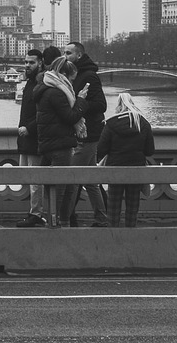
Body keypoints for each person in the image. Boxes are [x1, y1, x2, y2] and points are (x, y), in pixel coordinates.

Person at [63, 41, 109, 227]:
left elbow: (101, 105)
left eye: (68, 53)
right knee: (90, 181)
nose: (65, 56)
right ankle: (101, 218)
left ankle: (65, 218)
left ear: (79, 55)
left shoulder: (89, 76)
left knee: (73, 179)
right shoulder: (75, 75)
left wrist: (80, 104)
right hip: (84, 133)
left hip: (87, 135)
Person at [35, 56, 82, 228]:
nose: (71, 83)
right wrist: (81, 101)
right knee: (62, 188)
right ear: (63, 74)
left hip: (48, 143)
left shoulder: (45, 88)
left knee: (56, 186)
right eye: (70, 78)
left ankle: (59, 221)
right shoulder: (57, 93)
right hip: (60, 144)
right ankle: (58, 225)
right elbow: (70, 118)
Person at [97, 93, 156, 227]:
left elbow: (101, 150)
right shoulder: (143, 123)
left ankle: (113, 235)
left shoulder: (111, 124)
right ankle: (130, 234)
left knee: (114, 206)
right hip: (136, 170)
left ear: (118, 106)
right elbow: (149, 151)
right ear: (133, 104)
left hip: (115, 169)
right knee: (132, 207)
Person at [14, 49, 46, 227]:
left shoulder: (41, 84)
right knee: (25, 177)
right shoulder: (29, 83)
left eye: (31, 62)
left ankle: (36, 214)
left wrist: (29, 128)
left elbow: (44, 113)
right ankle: (34, 212)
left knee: (35, 180)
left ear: (40, 63)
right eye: (25, 62)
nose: (27, 65)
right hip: (25, 138)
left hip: (35, 138)